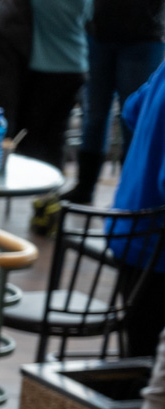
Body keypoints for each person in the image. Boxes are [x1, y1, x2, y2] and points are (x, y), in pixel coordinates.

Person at [0, 0, 87, 169]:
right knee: (53, 140)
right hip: (74, 64)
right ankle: (50, 193)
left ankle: (40, 190)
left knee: (34, 145)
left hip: (44, 67)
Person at [70, 0, 165, 204]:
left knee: (133, 119)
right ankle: (84, 189)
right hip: (98, 33)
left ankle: (130, 196)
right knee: (93, 115)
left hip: (143, 38)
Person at [109, 58, 165, 357]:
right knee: (144, 362)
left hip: (127, 227)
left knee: (138, 353)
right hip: (154, 244)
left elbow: (132, 110)